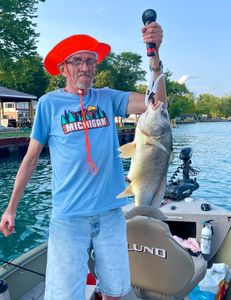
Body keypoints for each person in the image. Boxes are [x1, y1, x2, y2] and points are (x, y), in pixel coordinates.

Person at [0, 21, 166, 300]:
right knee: (65, 295)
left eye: (90, 61)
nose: (85, 67)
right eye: (77, 61)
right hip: (68, 216)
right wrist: (11, 208)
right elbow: (29, 159)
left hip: (111, 213)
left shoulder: (108, 97)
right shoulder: (48, 104)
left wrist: (155, 56)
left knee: (116, 291)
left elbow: (157, 105)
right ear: (64, 68)